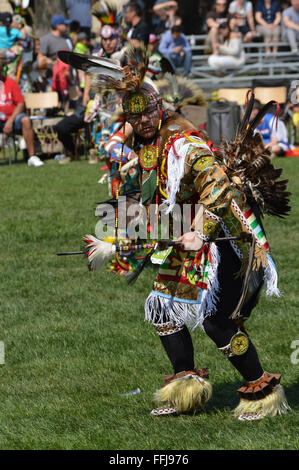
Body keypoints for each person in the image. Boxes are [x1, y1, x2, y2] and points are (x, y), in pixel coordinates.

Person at [60, 46, 291, 421]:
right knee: (163, 307)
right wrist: (122, 233)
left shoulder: (185, 142)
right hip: (192, 237)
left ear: (160, 107)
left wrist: (200, 232)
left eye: (149, 112)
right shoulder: (149, 143)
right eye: (136, 117)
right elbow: (158, 201)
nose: (144, 121)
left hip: (228, 239)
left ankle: (264, 390)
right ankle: (186, 390)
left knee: (217, 320)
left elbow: (219, 187)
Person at [0, 52, 43, 167]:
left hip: (12, 119)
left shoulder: (10, 82)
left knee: (25, 120)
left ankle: (32, 157)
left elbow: (20, 103)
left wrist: (10, 121)